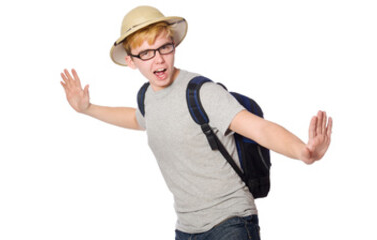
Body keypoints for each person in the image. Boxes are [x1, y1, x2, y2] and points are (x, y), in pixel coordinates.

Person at [58, 5, 332, 239]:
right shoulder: (147, 98)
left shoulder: (201, 92)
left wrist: (303, 152)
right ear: (131, 62)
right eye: (147, 53)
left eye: (165, 47)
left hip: (231, 222)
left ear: (173, 46)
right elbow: (137, 118)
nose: (159, 59)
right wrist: (88, 108)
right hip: (186, 229)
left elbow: (259, 128)